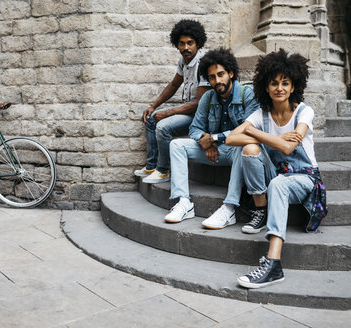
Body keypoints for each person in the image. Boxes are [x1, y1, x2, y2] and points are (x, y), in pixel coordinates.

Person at [226, 49, 327, 288]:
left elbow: (287, 148)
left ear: (293, 87)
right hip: (277, 175)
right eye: (274, 83)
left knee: (276, 178)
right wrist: (261, 137)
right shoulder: (262, 114)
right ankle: (261, 210)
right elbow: (231, 139)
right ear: (266, 87)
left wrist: (253, 132)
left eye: (285, 83)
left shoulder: (304, 111)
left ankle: (273, 263)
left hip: (304, 179)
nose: (279, 88)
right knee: (249, 149)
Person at [164, 48, 259, 228]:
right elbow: (194, 128)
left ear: (231, 73)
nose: (217, 80)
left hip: (235, 151)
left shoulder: (247, 94)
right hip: (215, 151)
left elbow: (248, 131)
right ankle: (184, 202)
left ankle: (229, 207)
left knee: (243, 145)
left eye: (221, 74)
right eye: (212, 77)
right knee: (177, 145)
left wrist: (214, 138)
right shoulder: (208, 97)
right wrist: (204, 142)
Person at [134, 19, 211, 184]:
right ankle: (152, 165)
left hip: (200, 116)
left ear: (198, 43)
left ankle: (163, 170)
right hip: (188, 110)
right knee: (151, 117)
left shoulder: (204, 64)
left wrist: (168, 112)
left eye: (190, 43)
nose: (185, 48)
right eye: (181, 44)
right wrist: (153, 106)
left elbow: (199, 103)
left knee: (163, 126)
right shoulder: (184, 60)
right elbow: (174, 84)